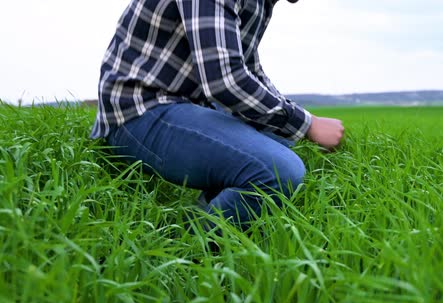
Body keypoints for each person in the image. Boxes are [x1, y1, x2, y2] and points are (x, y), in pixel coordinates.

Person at [91, 0, 344, 231]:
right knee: (281, 171)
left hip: (183, 106)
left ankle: (202, 212)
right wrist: (308, 125)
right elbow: (224, 80)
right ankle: (187, 253)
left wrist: (301, 123)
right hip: (139, 112)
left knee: (285, 143)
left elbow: (249, 69)